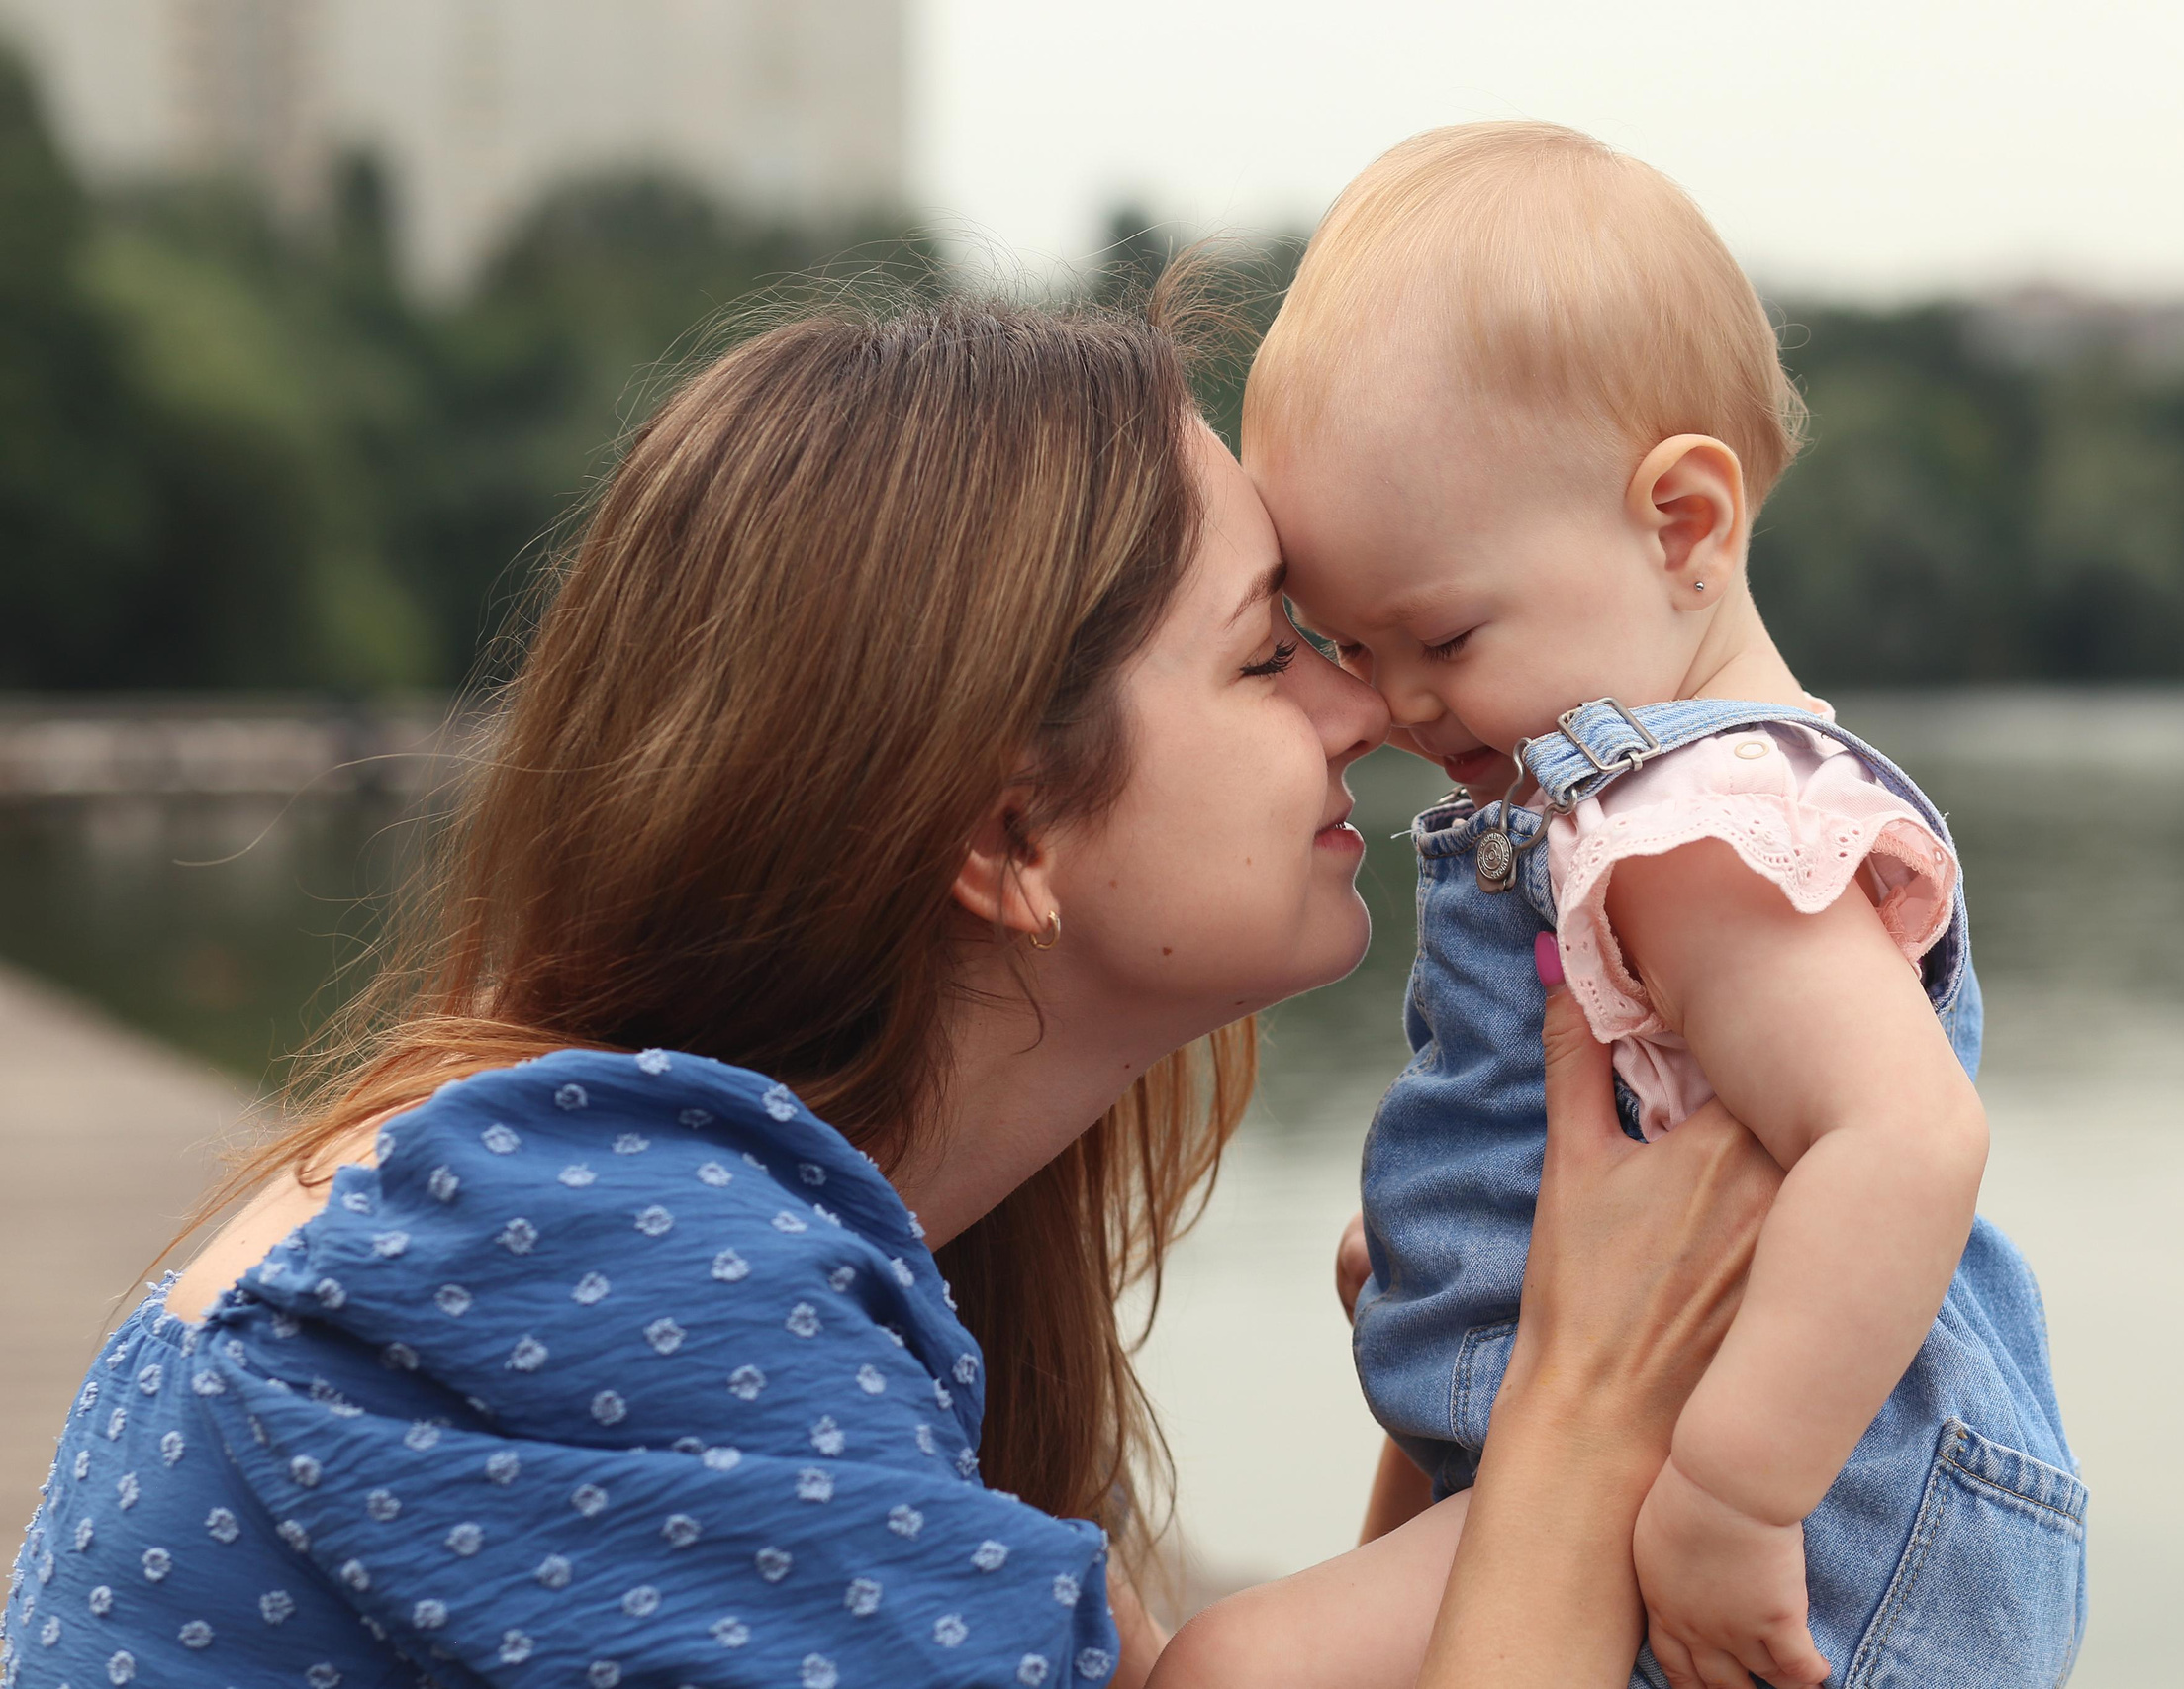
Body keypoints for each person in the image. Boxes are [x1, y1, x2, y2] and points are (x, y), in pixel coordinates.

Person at [0, 289, 1783, 1689]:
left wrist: (1456, 1407)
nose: (1368, 709)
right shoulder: (620, 1255)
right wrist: (1585, 1397)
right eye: (1268, 653)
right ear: (1007, 832)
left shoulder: (639, 1217)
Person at [1154, 125, 2088, 1689]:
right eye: (1349, 645)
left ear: (1684, 526)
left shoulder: (1697, 829)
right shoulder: (1626, 809)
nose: (1390, 705)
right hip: (1689, 1464)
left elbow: (1909, 1142)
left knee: (1235, 1669)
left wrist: (1734, 1494)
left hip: (1804, 1511)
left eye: (1439, 633)